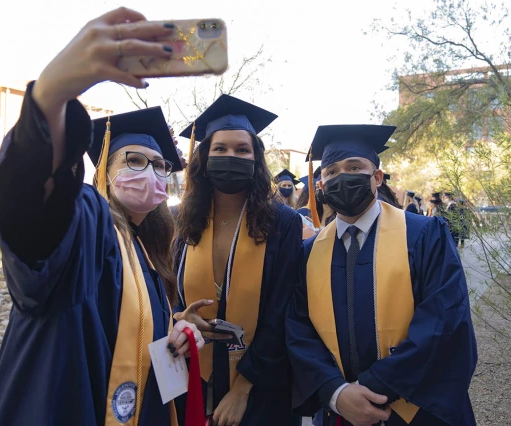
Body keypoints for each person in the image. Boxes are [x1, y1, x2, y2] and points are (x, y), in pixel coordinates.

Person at [0, 8, 205, 426]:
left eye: (160, 166)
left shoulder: (145, 248)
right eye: (134, 160)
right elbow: (33, 215)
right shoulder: (87, 224)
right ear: (104, 169)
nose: (151, 174)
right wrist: (51, 95)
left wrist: (170, 330)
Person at [286, 124, 477, 426]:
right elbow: (297, 327)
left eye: (354, 167)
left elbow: (445, 321)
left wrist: (372, 388)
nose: (342, 177)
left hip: (417, 408)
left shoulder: (425, 235)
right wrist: (334, 392)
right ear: (320, 186)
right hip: (341, 410)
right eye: (331, 172)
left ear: (376, 177)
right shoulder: (309, 252)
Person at [174, 94, 303, 426]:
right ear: (203, 158)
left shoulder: (282, 223)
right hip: (191, 378)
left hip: (261, 387)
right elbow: (166, 295)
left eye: (242, 149)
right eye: (220, 149)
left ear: (255, 159)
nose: (231, 156)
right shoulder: (183, 220)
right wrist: (178, 318)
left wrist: (242, 389)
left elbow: (282, 312)